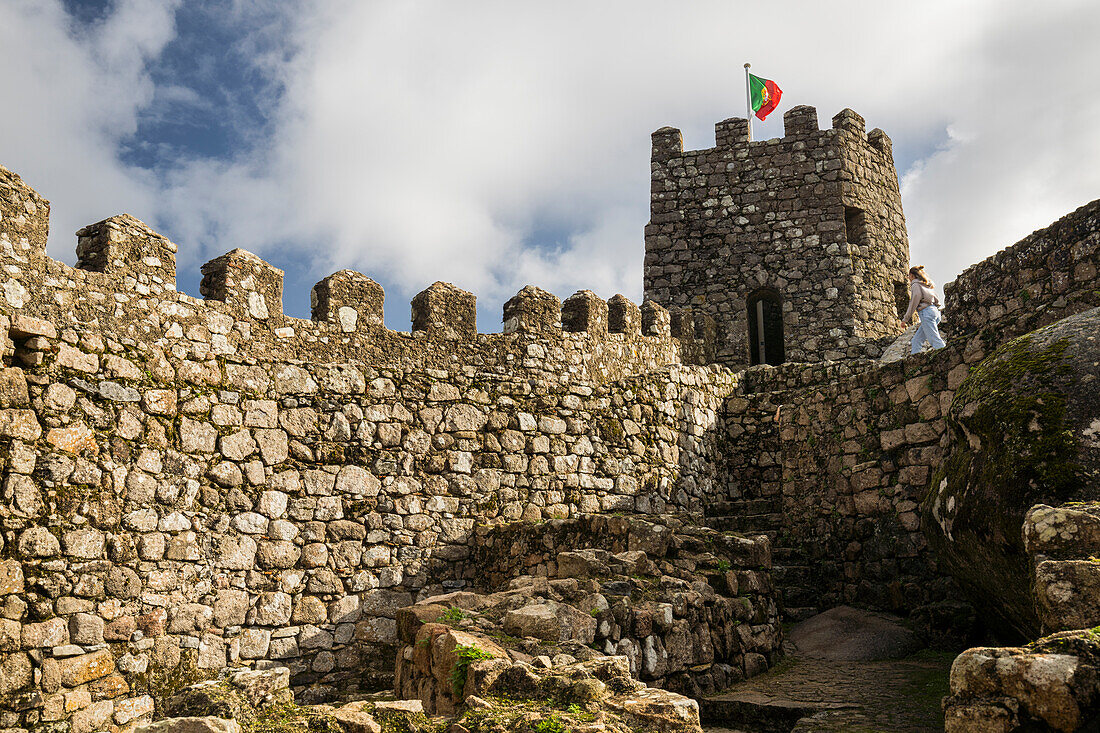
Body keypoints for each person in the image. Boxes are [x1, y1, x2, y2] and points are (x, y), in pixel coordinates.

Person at [901, 265, 946, 354]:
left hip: (926, 313)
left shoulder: (915, 284)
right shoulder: (927, 284)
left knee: (934, 340)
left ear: (912, 275)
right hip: (935, 312)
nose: (909, 278)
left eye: (909, 276)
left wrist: (905, 319)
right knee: (916, 340)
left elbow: (914, 301)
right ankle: (914, 361)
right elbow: (937, 300)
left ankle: (947, 356)